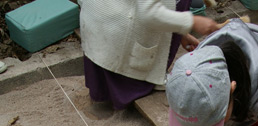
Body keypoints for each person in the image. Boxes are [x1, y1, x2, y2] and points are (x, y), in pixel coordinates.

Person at [78, 0, 219, 110]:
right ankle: (137, 79)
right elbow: (149, 13)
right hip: (113, 28)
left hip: (95, 22)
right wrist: (191, 22)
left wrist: (180, 33)